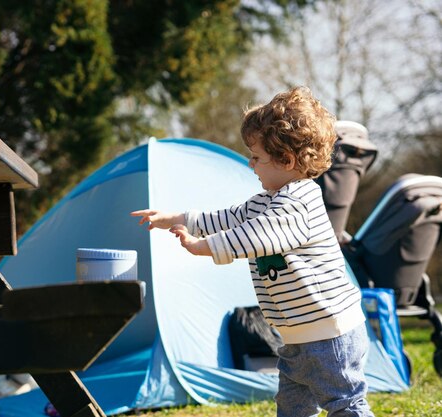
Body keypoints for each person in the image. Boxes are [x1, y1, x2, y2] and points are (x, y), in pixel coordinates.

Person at [131, 86, 374, 417]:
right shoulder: (268, 200)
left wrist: (202, 247)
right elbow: (228, 217)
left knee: (345, 404)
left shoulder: (298, 203)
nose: (250, 163)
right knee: (292, 406)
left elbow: (254, 236)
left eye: (257, 157)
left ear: (286, 160)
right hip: (297, 335)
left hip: (330, 335)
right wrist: (174, 217)